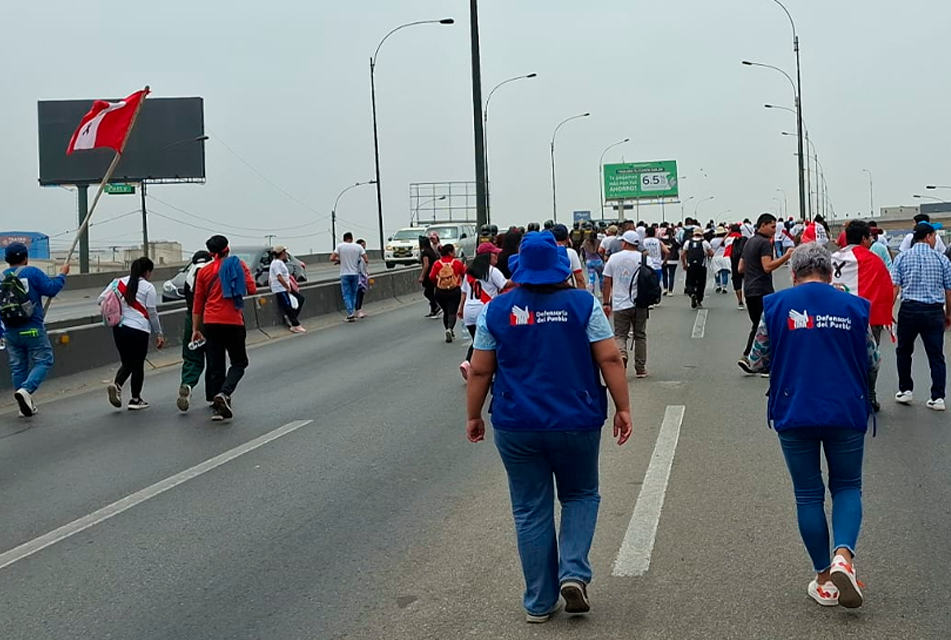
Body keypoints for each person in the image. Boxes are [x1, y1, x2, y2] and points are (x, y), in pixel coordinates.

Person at [465, 231, 632, 623]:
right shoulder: (582, 304)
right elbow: (610, 358)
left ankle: (539, 603)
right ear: (560, 268)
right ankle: (573, 571)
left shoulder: (497, 309)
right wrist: (623, 407)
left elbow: (480, 370)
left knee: (529, 510)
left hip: (516, 422)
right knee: (580, 494)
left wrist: (473, 415)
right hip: (576, 419)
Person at [744, 242, 877, 609]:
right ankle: (843, 558)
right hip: (846, 409)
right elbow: (872, 359)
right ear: (831, 273)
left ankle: (823, 578)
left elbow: (757, 360)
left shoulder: (777, 306)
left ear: (793, 273)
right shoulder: (853, 306)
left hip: (794, 407)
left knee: (808, 494)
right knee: (848, 486)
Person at [831, 220, 895, 412]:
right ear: (864, 238)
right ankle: (869, 393)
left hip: (835, 316)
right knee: (870, 358)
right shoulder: (873, 260)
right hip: (866, 318)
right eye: (869, 237)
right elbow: (884, 289)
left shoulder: (831, 258)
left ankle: (844, 394)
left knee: (840, 356)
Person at [191, 235, 257, 421]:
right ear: (228, 248)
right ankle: (224, 394)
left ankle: (217, 406)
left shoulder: (203, 272)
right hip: (233, 321)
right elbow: (251, 289)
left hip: (210, 322)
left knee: (216, 363)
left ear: (211, 253)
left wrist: (196, 329)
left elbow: (198, 302)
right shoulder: (238, 265)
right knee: (239, 362)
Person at [1, 242, 69, 417]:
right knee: (44, 360)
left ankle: (24, 406)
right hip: (32, 329)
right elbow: (51, 289)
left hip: (10, 331)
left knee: (18, 366)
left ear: (7, 259)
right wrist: (62, 274)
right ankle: (26, 390)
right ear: (25, 258)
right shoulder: (32, 272)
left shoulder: (1, 278)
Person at [890, 222, 951, 411]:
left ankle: (906, 390)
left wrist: (888, 311)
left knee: (904, 351)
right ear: (929, 237)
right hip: (934, 310)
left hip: (909, 309)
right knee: (936, 355)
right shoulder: (942, 260)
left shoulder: (902, 258)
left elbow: (895, 287)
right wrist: (948, 314)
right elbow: (949, 291)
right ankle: (938, 397)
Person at [100, 257, 166, 410]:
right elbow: (152, 313)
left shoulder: (117, 282)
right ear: (147, 272)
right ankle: (135, 399)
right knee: (137, 365)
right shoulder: (148, 288)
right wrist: (159, 333)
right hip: (139, 330)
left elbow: (101, 299)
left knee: (127, 363)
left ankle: (117, 386)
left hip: (119, 328)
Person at [738, 213, 793, 374]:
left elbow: (741, 268)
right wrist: (786, 256)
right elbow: (767, 266)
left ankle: (750, 357)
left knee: (758, 325)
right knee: (768, 326)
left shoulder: (749, 242)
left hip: (749, 289)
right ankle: (753, 358)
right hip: (762, 289)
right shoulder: (764, 243)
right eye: (772, 226)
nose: (775, 230)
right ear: (762, 225)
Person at [603, 230, 650, 376]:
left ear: (625, 243)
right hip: (639, 303)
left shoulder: (614, 258)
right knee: (640, 335)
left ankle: (622, 355)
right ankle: (640, 368)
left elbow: (606, 281)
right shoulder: (643, 259)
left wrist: (606, 302)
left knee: (620, 335)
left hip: (619, 303)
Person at [457, 242, 506, 380]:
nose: (497, 256)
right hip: (485, 311)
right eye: (494, 254)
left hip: (469, 313)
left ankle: (468, 363)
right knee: (491, 344)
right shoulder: (491, 271)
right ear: (487, 256)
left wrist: (460, 309)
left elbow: (464, 293)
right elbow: (504, 284)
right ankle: (486, 371)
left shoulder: (469, 272)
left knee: (477, 342)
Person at [177, 250, 213, 412]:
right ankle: (214, 394)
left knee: (192, 357)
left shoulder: (189, 276)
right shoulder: (212, 272)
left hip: (192, 319)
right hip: (212, 319)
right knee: (214, 357)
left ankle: (188, 384)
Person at [429, 243, 466, 343]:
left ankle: (447, 329)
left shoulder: (437, 264)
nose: (455, 253)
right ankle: (450, 329)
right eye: (453, 251)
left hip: (440, 292)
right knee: (452, 311)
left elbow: (431, 276)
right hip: (454, 291)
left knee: (446, 311)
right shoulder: (457, 263)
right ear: (450, 252)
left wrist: (438, 283)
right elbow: (464, 274)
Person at [331, 232, 368, 322]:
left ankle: (350, 314)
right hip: (355, 274)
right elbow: (366, 259)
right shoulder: (358, 247)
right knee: (353, 294)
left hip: (344, 274)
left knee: (346, 294)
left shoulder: (340, 246)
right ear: (351, 238)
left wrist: (340, 260)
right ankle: (354, 311)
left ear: (344, 239)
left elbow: (332, 258)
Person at [269, 245, 305, 333]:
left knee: (300, 299)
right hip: (280, 288)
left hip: (284, 287)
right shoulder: (276, 263)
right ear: (281, 253)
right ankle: (295, 324)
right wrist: (286, 286)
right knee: (287, 305)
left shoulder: (280, 262)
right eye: (284, 252)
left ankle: (292, 318)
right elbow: (279, 277)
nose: (286, 254)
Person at [681, 227, 713, 309]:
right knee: (701, 284)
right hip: (701, 266)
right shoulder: (705, 242)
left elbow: (683, 254)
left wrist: (684, 264)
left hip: (691, 266)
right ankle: (699, 300)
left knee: (690, 282)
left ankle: (692, 293)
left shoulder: (688, 242)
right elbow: (711, 253)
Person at [552, 224, 585, 288]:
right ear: (567, 238)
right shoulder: (571, 253)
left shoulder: (547, 252)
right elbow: (579, 279)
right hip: (565, 291)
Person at [724, 224, 747, 309]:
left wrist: (728, 233)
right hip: (745, 262)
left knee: (737, 281)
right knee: (747, 281)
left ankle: (740, 301)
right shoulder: (745, 239)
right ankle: (747, 298)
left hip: (734, 262)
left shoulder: (728, 240)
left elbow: (722, 243)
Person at [418, 235, 440, 318]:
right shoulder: (431, 250)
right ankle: (433, 310)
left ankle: (435, 305)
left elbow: (426, 265)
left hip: (429, 274)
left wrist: (422, 276)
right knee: (430, 291)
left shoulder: (424, 252)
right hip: (434, 273)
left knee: (428, 292)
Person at [580, 230, 604, 295]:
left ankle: (592, 293)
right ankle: (601, 292)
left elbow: (582, 250)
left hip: (589, 261)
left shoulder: (585, 242)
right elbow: (602, 251)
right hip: (598, 261)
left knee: (591, 279)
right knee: (601, 277)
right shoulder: (599, 242)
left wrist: (584, 259)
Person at [710, 226, 731, 294]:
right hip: (725, 257)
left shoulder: (713, 240)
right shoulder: (727, 239)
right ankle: (724, 287)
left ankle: (718, 285)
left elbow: (711, 249)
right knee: (724, 273)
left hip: (716, 257)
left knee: (717, 272)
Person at [660, 227, 681, 296]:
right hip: (673, 259)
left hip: (663, 259)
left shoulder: (661, 240)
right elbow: (679, 247)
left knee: (664, 274)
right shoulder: (675, 240)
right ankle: (670, 291)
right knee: (671, 275)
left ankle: (665, 288)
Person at [355, 239, 370, 319]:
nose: (364, 247)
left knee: (362, 293)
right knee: (358, 293)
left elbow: (365, 266)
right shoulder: (356, 255)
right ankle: (357, 310)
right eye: (362, 245)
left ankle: (359, 309)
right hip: (358, 276)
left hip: (363, 276)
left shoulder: (363, 256)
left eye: (364, 245)